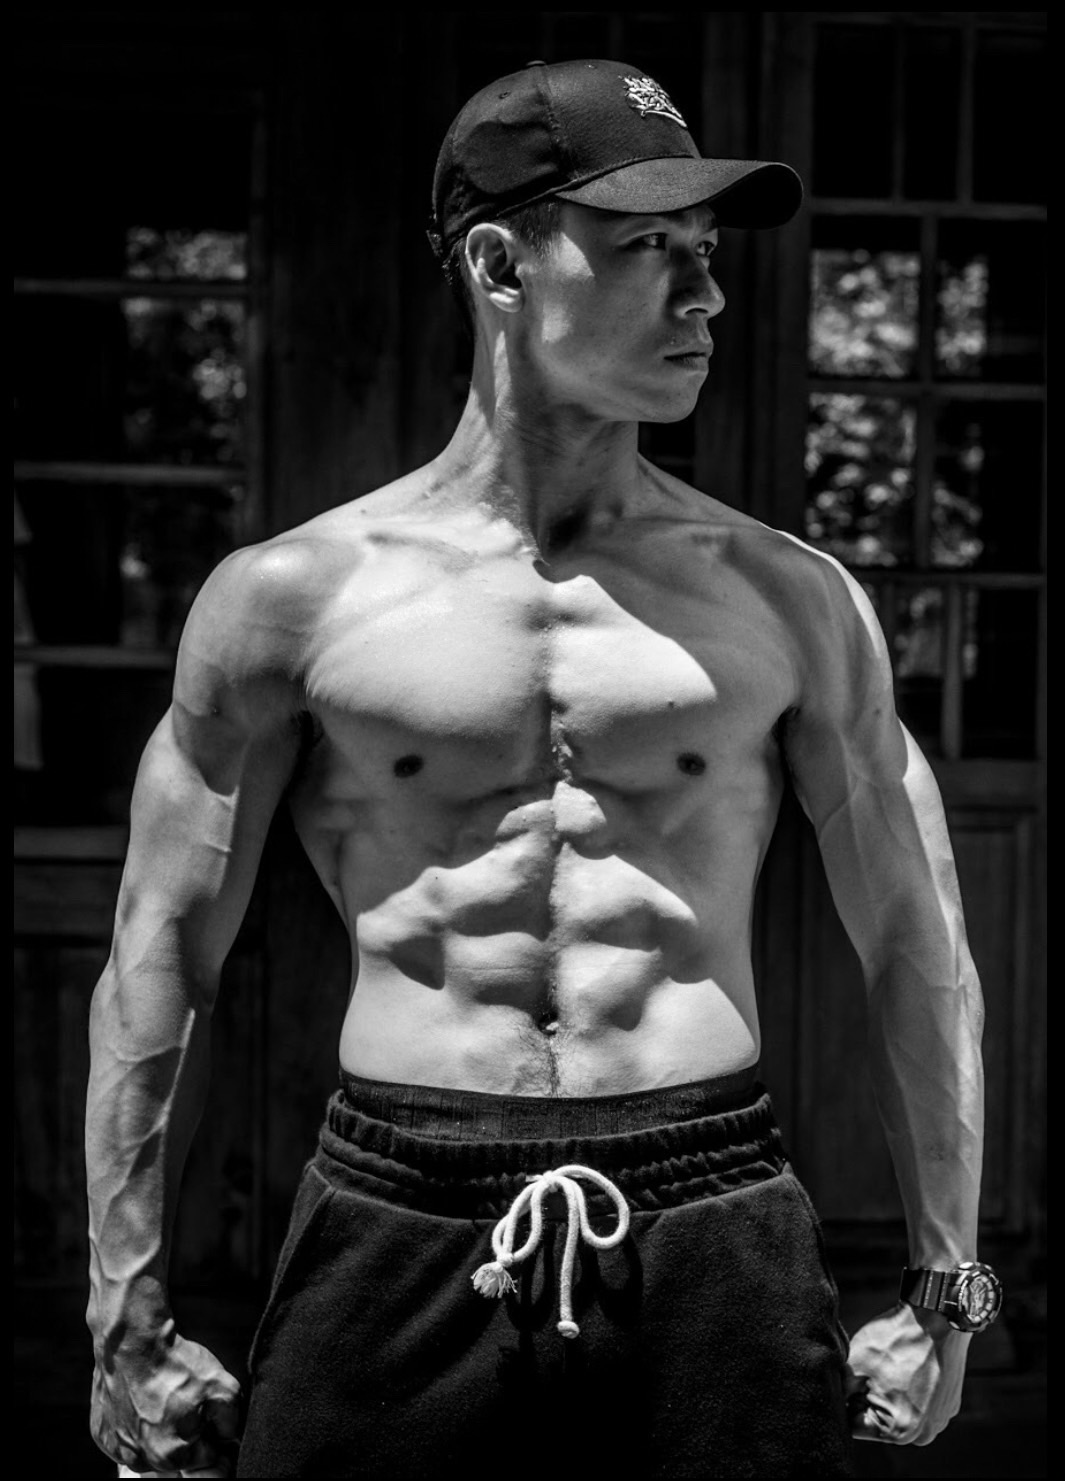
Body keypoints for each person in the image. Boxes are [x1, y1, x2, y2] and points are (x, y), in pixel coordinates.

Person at [85, 58, 1000, 1480]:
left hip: (711, 1215)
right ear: (501, 265)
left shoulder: (792, 599)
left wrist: (950, 1286)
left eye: (706, 251)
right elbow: (162, 953)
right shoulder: (289, 599)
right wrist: (123, 1307)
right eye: (648, 249)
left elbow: (916, 940)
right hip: (398, 1213)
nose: (705, 296)